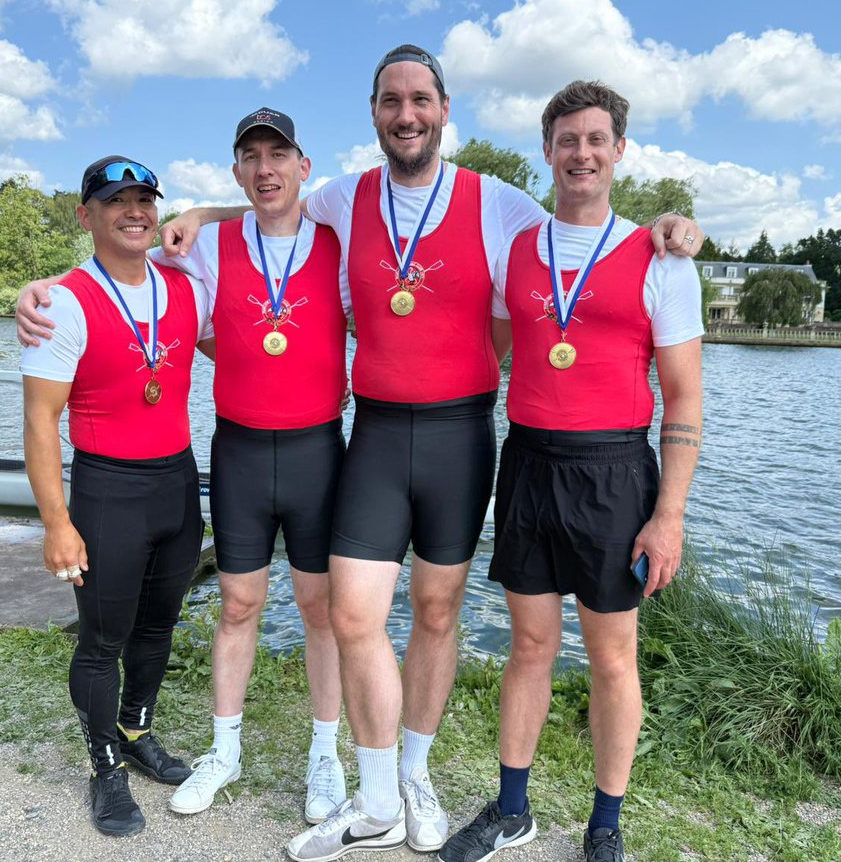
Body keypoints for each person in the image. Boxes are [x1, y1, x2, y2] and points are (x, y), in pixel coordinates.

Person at [149, 46, 706, 862]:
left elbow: (569, 252)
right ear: (375, 113)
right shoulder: (345, 197)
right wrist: (199, 212)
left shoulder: (501, 203)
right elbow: (271, 205)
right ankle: (374, 795)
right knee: (352, 613)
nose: (406, 115)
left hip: (463, 436)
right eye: (389, 101)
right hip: (374, 433)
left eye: (420, 100)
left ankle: (415, 773)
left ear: (445, 109)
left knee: (440, 613)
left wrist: (677, 226)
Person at [437, 81, 704, 862]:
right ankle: (512, 810)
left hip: (615, 471)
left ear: (619, 150)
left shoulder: (661, 257)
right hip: (526, 462)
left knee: (613, 656)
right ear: (547, 151)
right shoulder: (516, 248)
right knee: (529, 645)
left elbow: (684, 398)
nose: (581, 154)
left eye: (596, 140)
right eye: (566, 141)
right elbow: (479, 344)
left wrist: (670, 514)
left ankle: (605, 822)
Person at [158, 108, 353, 825]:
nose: (265, 167)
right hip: (240, 449)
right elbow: (141, 291)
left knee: (321, 611)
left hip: (317, 453)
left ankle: (325, 756)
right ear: (238, 171)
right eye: (251, 156)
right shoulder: (207, 245)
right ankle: (224, 750)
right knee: (238, 604)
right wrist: (47, 288)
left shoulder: (338, 241)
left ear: (305, 167)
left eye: (279, 154)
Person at [21, 156, 208, 838]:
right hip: (108, 490)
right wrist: (56, 523)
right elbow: (40, 422)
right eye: (116, 201)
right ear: (87, 216)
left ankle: (136, 730)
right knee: (103, 640)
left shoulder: (186, 287)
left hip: (178, 484)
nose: (135, 212)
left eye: (145, 200)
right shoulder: (63, 302)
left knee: (158, 626)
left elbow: (277, 209)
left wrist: (204, 214)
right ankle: (103, 766)